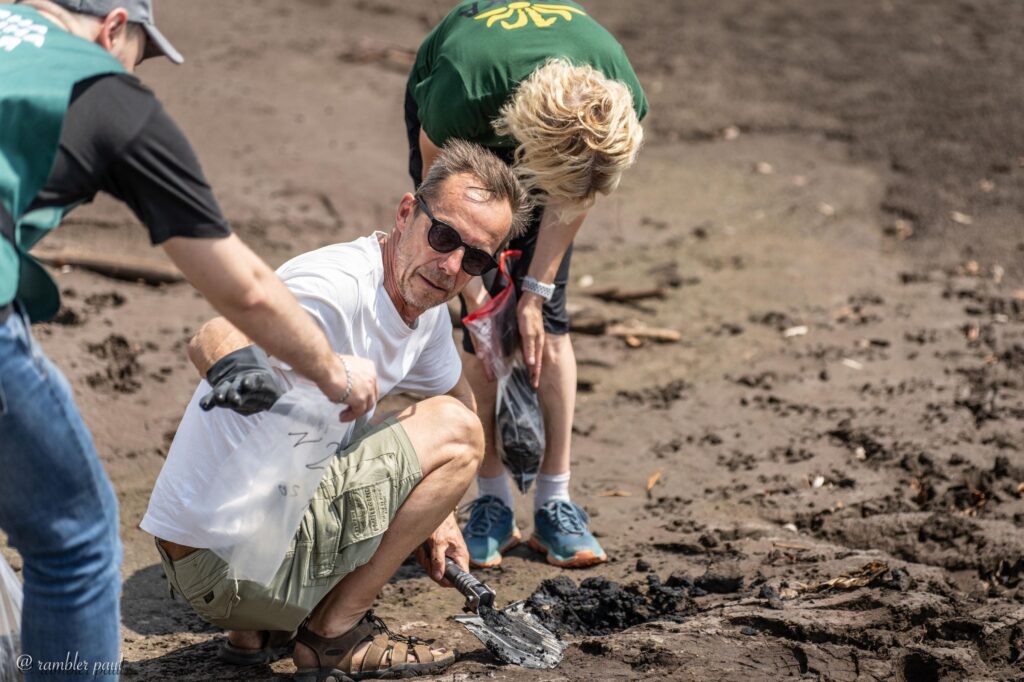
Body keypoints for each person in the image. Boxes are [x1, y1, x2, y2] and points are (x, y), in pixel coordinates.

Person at [0, 1, 360, 678]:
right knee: (72, 539)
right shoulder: (102, 90)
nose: (135, 74)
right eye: (138, 53)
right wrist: (336, 373)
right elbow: (243, 288)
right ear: (112, 27)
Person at [141, 141, 531, 681]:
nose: (450, 266)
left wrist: (437, 517)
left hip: (209, 561)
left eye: (476, 258)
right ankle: (334, 635)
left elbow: (456, 397)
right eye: (443, 236)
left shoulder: (427, 314)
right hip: (226, 565)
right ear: (405, 214)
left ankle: (255, 632)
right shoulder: (335, 287)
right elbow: (214, 333)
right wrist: (241, 373)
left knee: (402, 422)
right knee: (459, 436)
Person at [405, 0, 648, 568]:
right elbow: (437, 195)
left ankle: (554, 502)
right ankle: (491, 501)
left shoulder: (622, 96)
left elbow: (577, 192)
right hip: (468, 126)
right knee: (478, 330)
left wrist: (535, 293)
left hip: (554, 138)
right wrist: (473, 294)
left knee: (548, 320)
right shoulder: (461, 90)